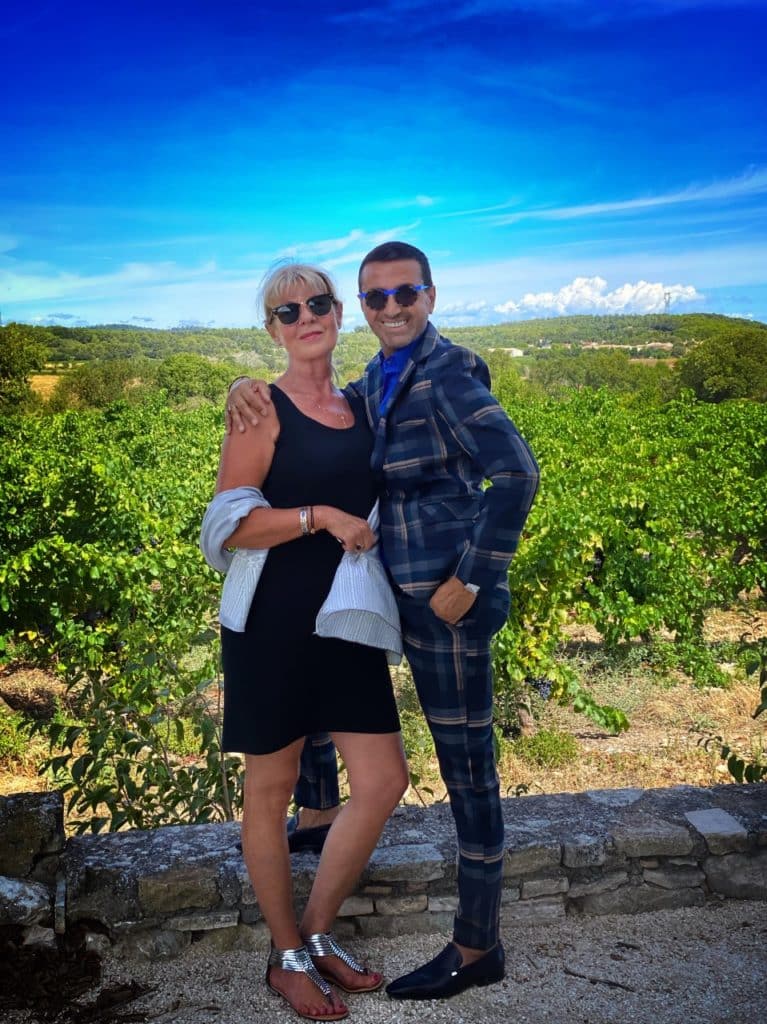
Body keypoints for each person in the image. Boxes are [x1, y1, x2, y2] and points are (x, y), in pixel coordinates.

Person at [228, 241, 540, 1001]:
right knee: (294, 760)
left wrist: (472, 576)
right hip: (324, 611)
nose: (390, 308)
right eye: (375, 298)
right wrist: (246, 387)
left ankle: (467, 944)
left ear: (427, 296)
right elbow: (252, 500)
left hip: (409, 613)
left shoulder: (420, 379)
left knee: (433, 776)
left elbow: (514, 473)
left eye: (404, 294)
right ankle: (297, 919)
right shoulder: (361, 386)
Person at [205, 261, 409, 1022]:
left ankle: (318, 931)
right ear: (272, 331)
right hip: (273, 622)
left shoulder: (362, 403)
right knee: (270, 788)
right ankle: (285, 955)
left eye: (318, 303)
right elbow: (231, 523)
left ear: (338, 314)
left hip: (346, 619)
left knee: (383, 778)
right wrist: (319, 514)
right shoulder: (260, 409)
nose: (305, 317)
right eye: (287, 312)